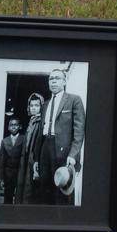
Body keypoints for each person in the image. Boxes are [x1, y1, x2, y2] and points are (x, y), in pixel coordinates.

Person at [38, 69, 85, 205]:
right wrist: (36, 158)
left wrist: (73, 154)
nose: (53, 81)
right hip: (45, 148)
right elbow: (41, 132)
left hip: (64, 151)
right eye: (51, 79)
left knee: (63, 192)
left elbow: (79, 130)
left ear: (64, 81)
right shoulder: (45, 104)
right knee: (45, 190)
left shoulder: (74, 100)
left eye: (57, 78)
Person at [16, 93, 47, 204]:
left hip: (33, 159)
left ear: (41, 107)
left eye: (37, 105)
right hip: (26, 158)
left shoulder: (41, 123)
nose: (34, 108)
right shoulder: (31, 121)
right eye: (32, 105)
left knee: (31, 189)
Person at [0, 117, 24, 204]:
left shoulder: (24, 139)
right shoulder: (4, 141)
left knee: (20, 196)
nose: (13, 127)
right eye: (11, 125)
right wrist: (1, 178)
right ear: (8, 127)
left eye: (16, 125)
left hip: (20, 172)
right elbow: (1, 160)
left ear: (20, 127)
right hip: (8, 174)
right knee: (7, 197)